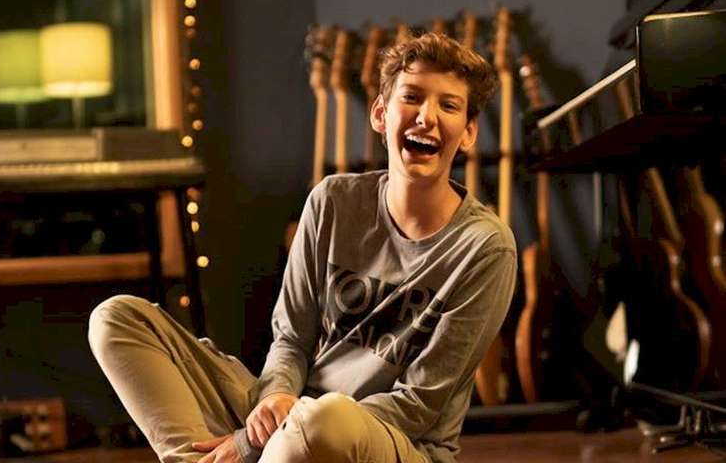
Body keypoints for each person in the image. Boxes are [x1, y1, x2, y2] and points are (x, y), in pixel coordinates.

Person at [88, 31, 516, 463]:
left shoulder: (485, 248)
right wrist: (275, 397)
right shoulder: (332, 202)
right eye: (412, 97)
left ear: (468, 133)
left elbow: (418, 405)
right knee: (117, 318)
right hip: (289, 417)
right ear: (380, 114)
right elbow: (292, 339)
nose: (426, 117)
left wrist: (254, 441)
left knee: (322, 421)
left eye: (448, 106)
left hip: (387, 441)